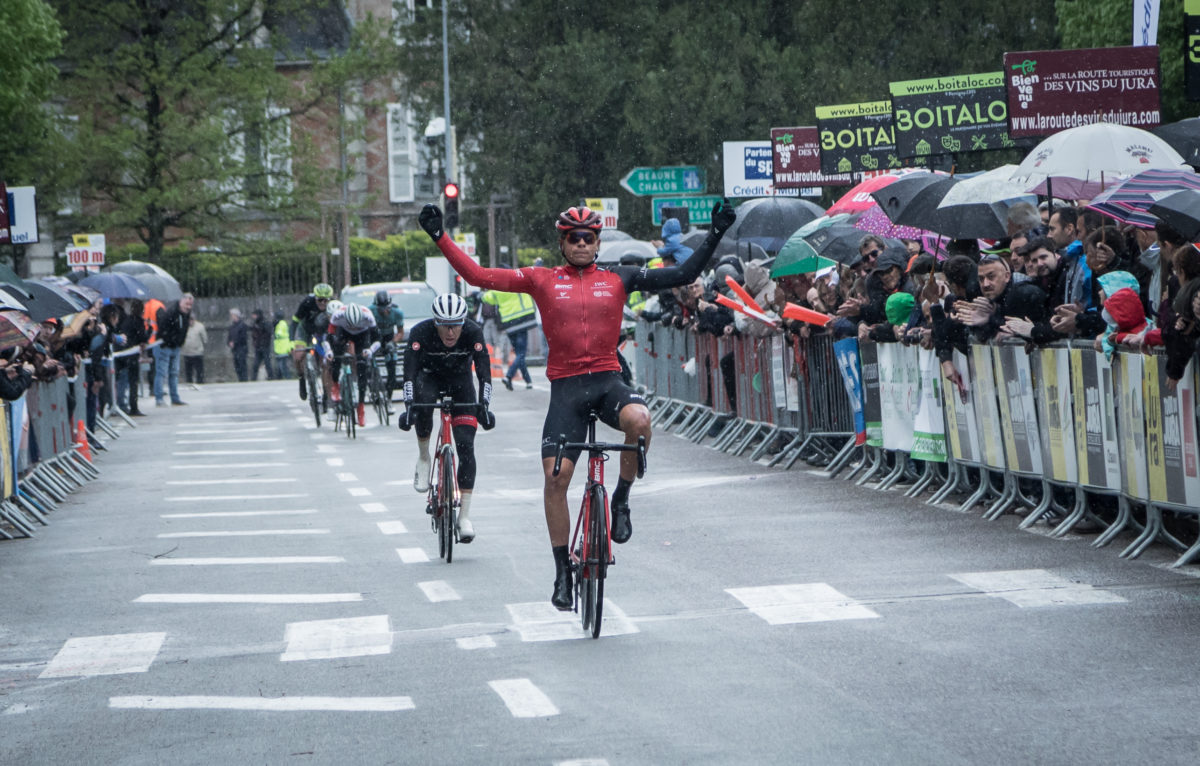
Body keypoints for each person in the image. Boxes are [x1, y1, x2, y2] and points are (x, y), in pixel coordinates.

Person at [418, 197, 735, 610]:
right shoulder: (542, 279)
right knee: (555, 479)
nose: (582, 244)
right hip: (566, 389)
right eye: (573, 237)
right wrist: (440, 236)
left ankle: (620, 498)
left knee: (640, 420)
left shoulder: (620, 277)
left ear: (598, 242)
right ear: (562, 242)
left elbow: (685, 272)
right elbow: (478, 275)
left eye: (589, 237)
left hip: (608, 381)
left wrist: (716, 233)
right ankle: (562, 572)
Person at [396, 293, 494, 543]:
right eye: (444, 325)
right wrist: (409, 407)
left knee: (466, 447)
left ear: (464, 322)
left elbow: (484, 372)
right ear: (435, 323)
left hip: (461, 381)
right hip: (429, 377)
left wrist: (484, 405)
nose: (450, 333)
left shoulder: (473, 332)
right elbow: (409, 373)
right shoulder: (420, 333)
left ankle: (464, 517)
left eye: (456, 325)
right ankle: (424, 456)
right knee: (423, 407)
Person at [323, 303, 380, 428]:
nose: (353, 327)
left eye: (356, 325)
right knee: (336, 356)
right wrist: (329, 351)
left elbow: (377, 340)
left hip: (362, 336)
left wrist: (370, 350)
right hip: (343, 333)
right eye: (351, 324)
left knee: (362, 369)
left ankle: (360, 407)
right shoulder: (338, 316)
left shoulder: (368, 316)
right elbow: (328, 339)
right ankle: (336, 385)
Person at [482, 288, 537, 390]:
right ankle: (508, 376)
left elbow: (486, 298)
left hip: (509, 324)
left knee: (518, 355)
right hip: (522, 320)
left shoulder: (498, 290)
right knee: (521, 354)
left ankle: (528, 381)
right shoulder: (518, 284)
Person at [291, 282, 334, 400]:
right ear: (315, 298)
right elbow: (295, 321)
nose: (323, 303)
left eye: (326, 300)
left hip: (322, 333)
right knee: (299, 355)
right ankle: (301, 379)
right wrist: (291, 341)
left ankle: (326, 394)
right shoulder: (307, 302)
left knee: (325, 363)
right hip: (305, 330)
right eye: (320, 300)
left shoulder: (333, 304)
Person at [154, 293, 193, 406]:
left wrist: (179, 342)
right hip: (166, 346)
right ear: (181, 301)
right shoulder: (172, 312)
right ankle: (159, 398)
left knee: (174, 373)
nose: (188, 307)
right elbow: (163, 327)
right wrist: (168, 340)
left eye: (190, 305)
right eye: (186, 304)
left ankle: (174, 397)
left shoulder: (185, 314)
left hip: (175, 346)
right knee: (162, 373)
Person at [115, 298, 150, 415]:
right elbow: (143, 338)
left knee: (122, 380)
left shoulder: (127, 320)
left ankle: (120, 404)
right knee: (133, 382)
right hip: (131, 354)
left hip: (122, 353)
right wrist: (149, 329)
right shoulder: (138, 321)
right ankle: (133, 407)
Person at [369, 290, 404, 399]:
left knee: (392, 368)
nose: (384, 311)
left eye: (387, 308)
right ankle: (373, 389)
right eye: (381, 309)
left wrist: (393, 342)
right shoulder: (370, 311)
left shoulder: (397, 312)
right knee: (368, 364)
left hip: (389, 337)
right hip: (374, 337)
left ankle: (388, 397)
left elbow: (400, 332)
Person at [181, 315, 207, 384]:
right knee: (188, 371)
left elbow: (204, 338)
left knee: (199, 370)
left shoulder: (200, 326)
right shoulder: (183, 326)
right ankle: (189, 382)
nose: (190, 322)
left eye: (191, 320)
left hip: (197, 352)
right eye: (189, 320)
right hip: (186, 352)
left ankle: (200, 382)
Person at [249, 308, 274, 380]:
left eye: (254, 315)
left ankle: (271, 377)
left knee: (267, 363)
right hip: (258, 347)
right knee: (256, 364)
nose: (253, 317)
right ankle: (253, 378)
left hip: (264, 347)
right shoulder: (256, 324)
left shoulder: (265, 323)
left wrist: (262, 342)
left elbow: (268, 333)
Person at [227, 307, 248, 381]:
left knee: (242, 366)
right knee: (237, 367)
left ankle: (244, 380)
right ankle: (240, 379)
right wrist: (229, 343)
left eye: (232, 315)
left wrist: (234, 342)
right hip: (235, 350)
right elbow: (229, 337)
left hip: (241, 349)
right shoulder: (231, 327)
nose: (231, 317)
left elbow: (243, 338)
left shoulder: (242, 325)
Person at [272, 309, 292, 379]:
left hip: (282, 347)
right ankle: (280, 377)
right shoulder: (282, 323)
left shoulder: (281, 323)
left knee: (283, 365)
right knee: (281, 365)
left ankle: (287, 377)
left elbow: (278, 334)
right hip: (281, 347)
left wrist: (275, 331)